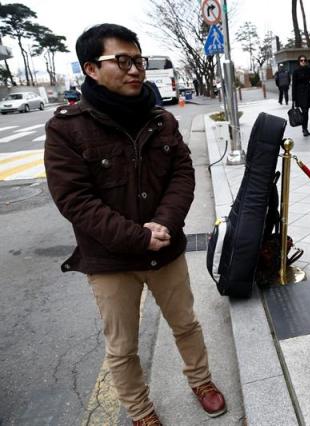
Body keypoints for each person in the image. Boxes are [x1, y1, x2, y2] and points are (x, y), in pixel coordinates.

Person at [43, 24, 226, 426]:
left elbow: (182, 175)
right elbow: (75, 200)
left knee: (186, 324)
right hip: (110, 260)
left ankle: (202, 381)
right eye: (121, 61)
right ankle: (141, 411)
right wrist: (137, 236)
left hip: (166, 248)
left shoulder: (161, 120)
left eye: (138, 60)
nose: (135, 70)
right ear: (91, 69)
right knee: (122, 346)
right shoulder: (66, 128)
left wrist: (163, 224)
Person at [291, 54, 310, 137]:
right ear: (299, 62)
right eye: (301, 60)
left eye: (304, 60)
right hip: (299, 94)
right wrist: (293, 98)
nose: (303, 62)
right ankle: (304, 129)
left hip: (307, 93)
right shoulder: (295, 71)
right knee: (304, 112)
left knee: (306, 112)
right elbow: (293, 85)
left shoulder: (309, 70)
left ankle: (305, 128)